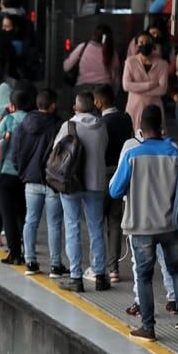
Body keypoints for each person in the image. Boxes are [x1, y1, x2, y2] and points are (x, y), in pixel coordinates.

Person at [109, 105, 178, 340]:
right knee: (177, 271)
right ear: (162, 126)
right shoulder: (175, 152)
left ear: (141, 129)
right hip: (170, 224)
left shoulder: (132, 154)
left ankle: (148, 327)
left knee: (144, 276)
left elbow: (114, 190)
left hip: (142, 226)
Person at [56, 92, 110, 292]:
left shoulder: (69, 126)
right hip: (96, 182)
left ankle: (76, 277)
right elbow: (103, 147)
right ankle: (100, 275)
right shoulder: (101, 125)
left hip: (72, 183)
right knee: (96, 228)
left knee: (72, 227)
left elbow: (57, 151)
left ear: (76, 107)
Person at [12, 89, 63, 274]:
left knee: (31, 221)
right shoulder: (58, 125)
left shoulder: (24, 124)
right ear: (53, 106)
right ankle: (56, 265)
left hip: (31, 180)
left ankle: (30, 261)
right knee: (54, 223)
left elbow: (15, 152)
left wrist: (23, 172)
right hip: (52, 181)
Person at [0, 84, 35, 265]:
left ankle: (15, 254)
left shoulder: (9, 120)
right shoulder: (32, 119)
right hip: (25, 175)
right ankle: (28, 252)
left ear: (12, 105)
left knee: (8, 215)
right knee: (22, 214)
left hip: (5, 174)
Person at [95, 85, 132, 285]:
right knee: (114, 222)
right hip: (120, 174)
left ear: (99, 102)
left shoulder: (100, 123)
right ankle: (114, 269)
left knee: (97, 222)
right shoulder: (126, 119)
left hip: (102, 175)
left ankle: (97, 266)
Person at [122, 31, 169, 130]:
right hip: (134, 107)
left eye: (147, 41)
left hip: (154, 107)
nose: (144, 44)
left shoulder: (162, 64)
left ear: (153, 44)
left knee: (155, 136)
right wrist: (150, 85)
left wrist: (137, 88)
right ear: (137, 45)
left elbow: (162, 89)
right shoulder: (130, 62)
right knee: (133, 137)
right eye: (141, 42)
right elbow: (126, 86)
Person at [64, 24, 119, 95]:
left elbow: (66, 66)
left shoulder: (83, 47)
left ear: (94, 34)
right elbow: (115, 77)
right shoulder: (111, 52)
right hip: (104, 91)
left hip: (82, 90)